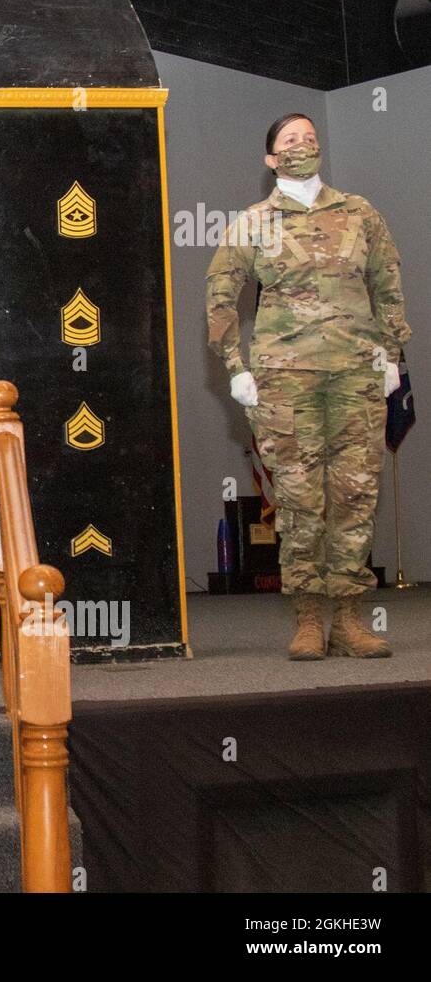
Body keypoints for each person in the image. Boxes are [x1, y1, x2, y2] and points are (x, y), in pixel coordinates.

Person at [205, 113, 411, 660]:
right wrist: (236, 367)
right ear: (270, 158)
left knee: (354, 497)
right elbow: (221, 296)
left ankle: (347, 620)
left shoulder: (360, 213)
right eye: (289, 139)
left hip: (355, 378)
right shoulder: (254, 221)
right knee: (298, 500)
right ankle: (307, 619)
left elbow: (388, 285)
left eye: (310, 136)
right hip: (284, 382)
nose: (303, 143)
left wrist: (391, 356)